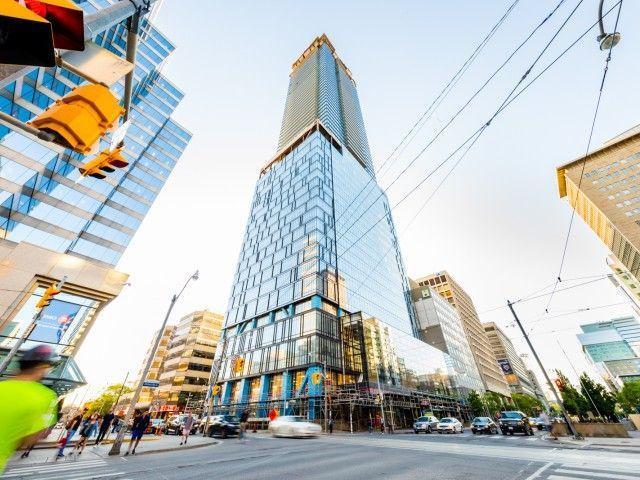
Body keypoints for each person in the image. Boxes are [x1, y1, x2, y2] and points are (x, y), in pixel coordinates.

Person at [0, 344, 59, 473]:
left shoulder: (2, 385)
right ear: (42, 367)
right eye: (50, 367)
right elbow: (28, 441)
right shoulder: (46, 396)